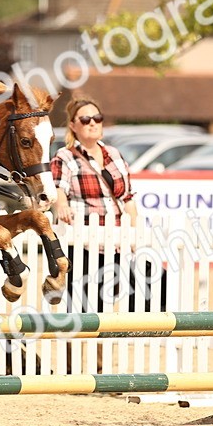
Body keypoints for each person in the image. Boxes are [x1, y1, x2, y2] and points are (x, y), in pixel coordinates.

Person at [51, 96, 162, 313]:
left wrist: (135, 235)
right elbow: (58, 188)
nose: (92, 123)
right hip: (84, 243)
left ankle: (138, 330)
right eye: (85, 119)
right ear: (73, 125)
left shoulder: (114, 154)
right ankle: (79, 336)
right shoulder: (64, 156)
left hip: (118, 240)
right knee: (85, 306)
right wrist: (62, 205)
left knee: (143, 292)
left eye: (97, 118)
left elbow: (127, 197)